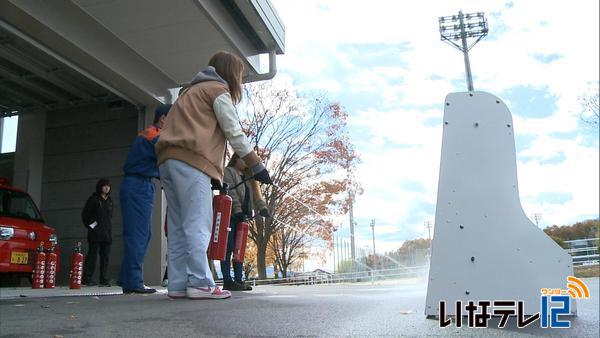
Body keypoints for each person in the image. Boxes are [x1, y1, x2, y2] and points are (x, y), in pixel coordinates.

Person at [156, 51, 272, 300]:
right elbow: (233, 130)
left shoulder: (189, 92)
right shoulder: (217, 90)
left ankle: (177, 284)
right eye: (239, 75)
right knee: (198, 222)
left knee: (177, 226)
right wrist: (256, 165)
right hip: (192, 160)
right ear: (231, 73)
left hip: (167, 161)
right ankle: (199, 282)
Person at [118, 103, 171, 294]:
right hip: (138, 185)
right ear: (163, 118)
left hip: (142, 185)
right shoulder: (153, 135)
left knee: (142, 234)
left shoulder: (150, 134)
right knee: (138, 235)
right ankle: (133, 281)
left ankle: (127, 278)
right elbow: (169, 152)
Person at [221, 153, 270, 291]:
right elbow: (231, 192)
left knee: (240, 249)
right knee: (228, 246)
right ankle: (227, 280)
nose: (247, 164)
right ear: (236, 158)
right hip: (230, 216)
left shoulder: (249, 178)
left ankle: (238, 279)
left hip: (244, 218)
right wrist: (237, 210)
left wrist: (263, 208)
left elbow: (256, 195)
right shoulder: (228, 171)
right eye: (245, 160)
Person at [81, 178, 113, 287]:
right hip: (95, 234)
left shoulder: (110, 201)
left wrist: (108, 230)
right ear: (100, 187)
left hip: (106, 234)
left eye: (108, 186)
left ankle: (103, 280)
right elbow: (85, 216)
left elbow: (109, 217)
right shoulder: (93, 199)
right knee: (92, 256)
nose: (106, 187)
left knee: (105, 258)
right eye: (104, 185)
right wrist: (94, 227)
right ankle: (87, 278)